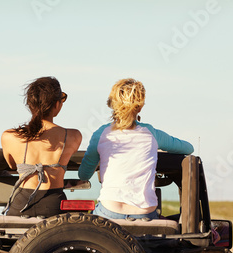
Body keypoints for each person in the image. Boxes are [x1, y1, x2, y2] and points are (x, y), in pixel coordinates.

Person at [78, 78, 194, 220]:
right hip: (146, 213)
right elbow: (189, 148)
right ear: (140, 107)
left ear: (111, 104)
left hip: (109, 211)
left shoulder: (101, 134)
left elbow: (83, 175)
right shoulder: (151, 133)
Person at [2, 76, 82, 217]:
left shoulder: (9, 137)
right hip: (53, 205)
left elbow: (12, 165)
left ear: (29, 104)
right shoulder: (73, 136)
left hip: (21, 205)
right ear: (57, 104)